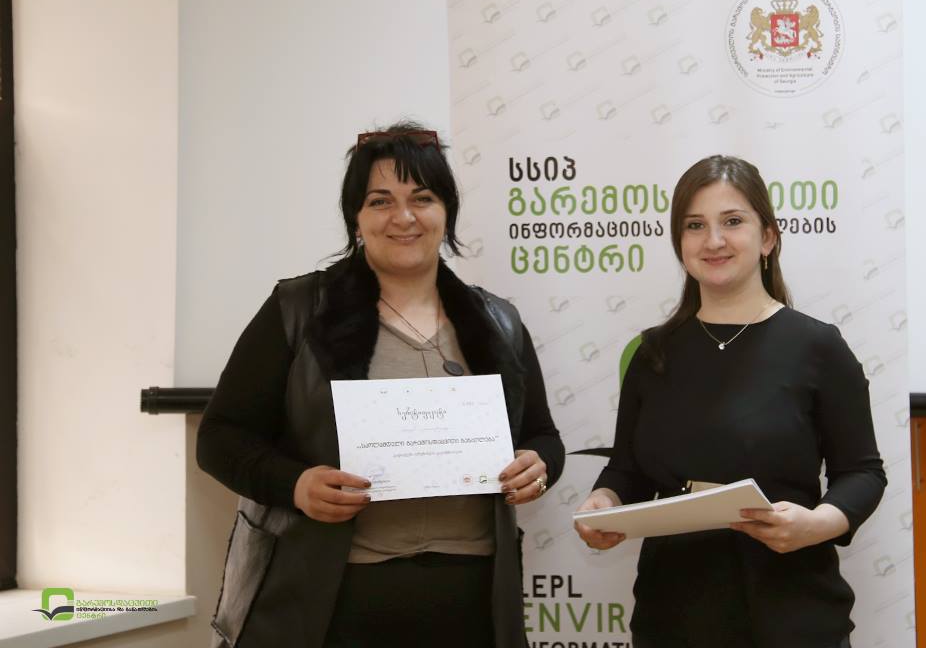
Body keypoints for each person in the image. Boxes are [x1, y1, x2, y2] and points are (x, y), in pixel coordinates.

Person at [198, 122, 564, 648]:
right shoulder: (298, 311)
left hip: (472, 602)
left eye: (423, 198)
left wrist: (538, 465)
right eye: (380, 201)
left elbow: (542, 436)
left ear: (447, 211)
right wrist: (295, 485)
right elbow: (220, 438)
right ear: (356, 217)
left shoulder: (498, 321)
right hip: (330, 603)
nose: (404, 217)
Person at [574, 155, 885, 648]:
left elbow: (863, 472)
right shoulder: (652, 353)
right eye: (695, 225)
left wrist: (816, 524)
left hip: (793, 612)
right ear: (679, 242)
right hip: (672, 616)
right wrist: (605, 501)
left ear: (768, 238)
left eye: (733, 221)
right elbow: (627, 469)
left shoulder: (818, 346)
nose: (713, 241)